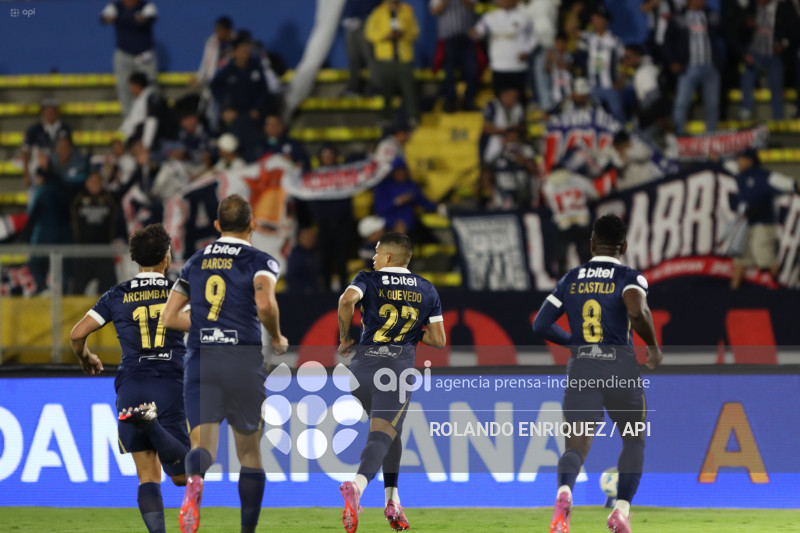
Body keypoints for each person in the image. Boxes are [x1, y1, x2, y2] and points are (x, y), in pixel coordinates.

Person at [161, 194, 289, 533]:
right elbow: (264, 304)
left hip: (201, 358)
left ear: (217, 226)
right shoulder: (261, 261)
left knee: (202, 447)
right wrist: (276, 337)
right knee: (249, 453)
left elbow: (169, 317)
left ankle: (195, 483)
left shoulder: (194, 262)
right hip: (242, 359)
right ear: (252, 225)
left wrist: (206, 323)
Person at [532, 214, 663, 533]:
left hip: (583, 369)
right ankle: (620, 510)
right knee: (634, 442)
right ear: (624, 246)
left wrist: (574, 340)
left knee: (575, 447)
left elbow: (541, 324)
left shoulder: (571, 279)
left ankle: (564, 493)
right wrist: (652, 344)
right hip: (621, 370)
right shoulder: (630, 277)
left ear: (591, 244)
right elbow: (636, 309)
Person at [69, 223, 190, 533]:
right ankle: (153, 425)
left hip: (132, 385)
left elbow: (76, 334)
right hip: (169, 382)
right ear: (166, 257)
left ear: (136, 260)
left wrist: (86, 358)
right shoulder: (182, 291)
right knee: (182, 475)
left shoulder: (116, 294)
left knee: (147, 476)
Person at [337, 232, 446, 533]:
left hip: (361, 371)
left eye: (376, 251)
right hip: (394, 372)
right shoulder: (427, 289)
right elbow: (439, 340)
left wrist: (345, 337)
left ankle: (392, 501)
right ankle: (357, 486)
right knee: (381, 436)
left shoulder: (368, 279)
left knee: (389, 429)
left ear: (388, 257)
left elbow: (347, 300)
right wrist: (411, 332)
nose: (373, 257)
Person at [730, 148, 799, 289]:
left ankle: (784, 289)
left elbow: (791, 184)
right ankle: (731, 295)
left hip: (763, 224)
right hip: (744, 225)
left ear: (750, 160)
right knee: (740, 261)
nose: (738, 162)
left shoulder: (763, 176)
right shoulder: (738, 176)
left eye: (741, 159)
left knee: (765, 258)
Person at [664, 0, 724, 135]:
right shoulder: (678, 17)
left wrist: (720, 62)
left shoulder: (712, 16)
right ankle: (679, 134)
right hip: (688, 68)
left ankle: (711, 134)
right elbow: (667, 42)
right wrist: (673, 62)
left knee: (713, 104)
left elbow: (726, 35)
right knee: (681, 103)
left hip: (711, 67)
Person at [542, 151, 600, 276]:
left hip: (563, 223)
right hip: (582, 220)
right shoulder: (579, 179)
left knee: (562, 257)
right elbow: (595, 195)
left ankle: (562, 283)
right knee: (585, 255)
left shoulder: (548, 185)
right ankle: (591, 280)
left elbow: (550, 204)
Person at [365, 0, 421, 124]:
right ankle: (386, 118)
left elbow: (415, 31)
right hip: (386, 58)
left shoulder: (407, 10)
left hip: (404, 58)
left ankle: (413, 118)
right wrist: (385, 36)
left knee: (409, 90)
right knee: (386, 90)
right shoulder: (378, 12)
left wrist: (403, 34)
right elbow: (369, 32)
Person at [101, 0, 159, 116]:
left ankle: (152, 119)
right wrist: (109, 18)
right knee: (124, 88)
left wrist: (140, 19)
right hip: (124, 55)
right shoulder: (115, 7)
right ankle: (130, 123)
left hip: (145, 55)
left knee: (150, 88)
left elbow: (149, 17)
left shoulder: (146, 6)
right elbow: (104, 18)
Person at [471, 0, 536, 99]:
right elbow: (479, 31)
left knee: (519, 99)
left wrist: (526, 51)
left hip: (517, 65)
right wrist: (474, 33)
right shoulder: (490, 17)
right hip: (498, 65)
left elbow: (534, 37)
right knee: (500, 99)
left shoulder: (524, 17)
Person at [70, 172, 119, 294]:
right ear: (86, 183)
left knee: (109, 292)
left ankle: (106, 314)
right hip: (83, 253)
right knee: (76, 291)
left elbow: (124, 189)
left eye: (98, 181)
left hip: (105, 252)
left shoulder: (109, 198)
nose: (95, 184)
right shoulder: (77, 198)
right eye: (92, 181)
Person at [575, 5, 626, 121]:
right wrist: (575, 13)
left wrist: (622, 80)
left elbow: (625, 62)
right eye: (593, 19)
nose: (594, 22)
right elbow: (572, 31)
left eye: (598, 19)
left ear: (605, 21)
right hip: (593, 86)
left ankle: (624, 138)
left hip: (611, 86)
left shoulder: (615, 41)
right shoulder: (589, 38)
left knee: (617, 116)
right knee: (594, 116)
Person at [740, 0, 787, 121]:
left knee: (776, 83)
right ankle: (746, 109)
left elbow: (792, 28)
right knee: (747, 77)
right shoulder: (751, 6)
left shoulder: (782, 7)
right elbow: (739, 28)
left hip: (774, 53)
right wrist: (746, 25)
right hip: (755, 52)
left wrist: (783, 43)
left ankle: (777, 117)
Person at [430, 0, 478, 112]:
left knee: (472, 71)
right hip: (448, 38)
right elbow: (434, 11)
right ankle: (450, 102)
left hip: (467, 38)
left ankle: (468, 102)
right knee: (449, 73)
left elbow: (473, 7)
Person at [21, 99, 72, 189]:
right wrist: (26, 174)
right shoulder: (34, 129)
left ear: (57, 112)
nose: (50, 114)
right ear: (42, 113)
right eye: (47, 111)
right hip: (39, 167)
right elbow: (26, 151)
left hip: (59, 167)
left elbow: (69, 150)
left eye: (52, 111)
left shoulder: (65, 128)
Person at [120, 72, 177, 151]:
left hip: (159, 141)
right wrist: (120, 137)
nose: (130, 89)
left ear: (137, 85)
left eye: (131, 86)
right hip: (140, 137)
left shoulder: (152, 99)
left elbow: (152, 122)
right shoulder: (138, 99)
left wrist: (146, 145)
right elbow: (131, 121)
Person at [341, 0, 382, 97]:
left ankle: (375, 87)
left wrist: (367, 17)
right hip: (351, 23)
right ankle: (354, 88)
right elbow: (349, 5)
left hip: (367, 22)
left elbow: (377, 6)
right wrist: (346, 18)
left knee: (370, 57)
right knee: (353, 58)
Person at [479, 87, 526, 163]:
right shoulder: (493, 106)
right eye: (512, 96)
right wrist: (507, 132)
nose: (514, 99)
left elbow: (523, 127)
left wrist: (515, 131)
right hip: (493, 146)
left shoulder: (518, 107)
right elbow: (486, 128)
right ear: (503, 95)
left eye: (516, 97)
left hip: (513, 145)